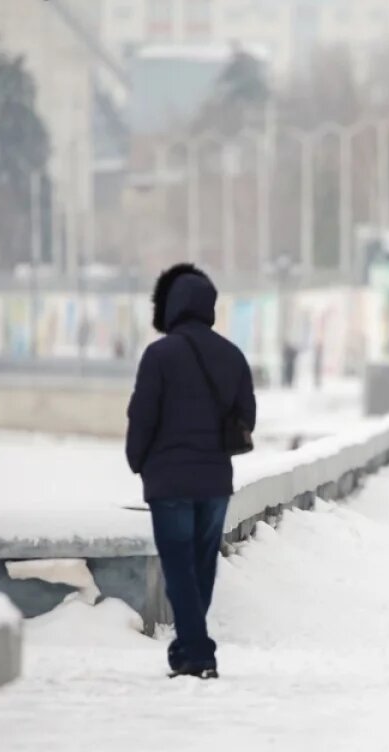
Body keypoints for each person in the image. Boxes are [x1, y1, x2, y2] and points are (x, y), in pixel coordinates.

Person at [125, 263, 256, 679]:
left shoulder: (158, 356)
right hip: (215, 481)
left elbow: (142, 415)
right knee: (201, 567)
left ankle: (198, 653)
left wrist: (137, 459)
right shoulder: (232, 356)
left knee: (179, 568)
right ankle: (189, 648)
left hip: (168, 482)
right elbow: (247, 416)